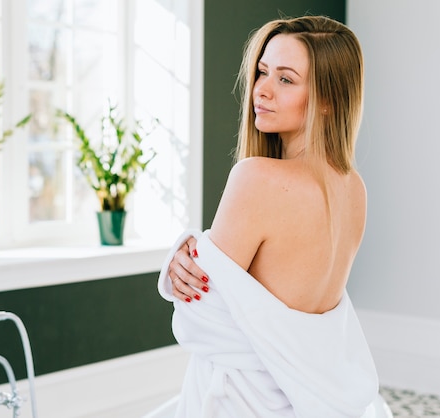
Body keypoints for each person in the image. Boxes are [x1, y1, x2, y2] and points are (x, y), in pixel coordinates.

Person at [157, 15, 393, 417]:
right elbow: (302, 314)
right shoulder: (354, 188)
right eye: (262, 72)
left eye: (285, 79)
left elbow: (198, 319)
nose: (260, 90)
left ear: (327, 99)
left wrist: (184, 259)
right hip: (311, 398)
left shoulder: (256, 178)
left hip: (245, 400)